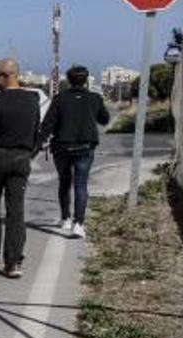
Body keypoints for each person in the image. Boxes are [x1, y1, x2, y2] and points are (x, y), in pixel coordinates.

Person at [0, 58, 41, 279]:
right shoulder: (32, 100)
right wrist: (28, 155)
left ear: (7, 75)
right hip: (21, 160)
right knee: (16, 213)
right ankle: (13, 263)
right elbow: (36, 133)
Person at [40, 65, 110, 240]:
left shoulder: (59, 99)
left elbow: (48, 124)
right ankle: (78, 224)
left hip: (62, 147)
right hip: (85, 147)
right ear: (86, 80)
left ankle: (65, 218)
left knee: (64, 182)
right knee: (81, 184)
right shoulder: (95, 98)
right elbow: (105, 119)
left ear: (69, 80)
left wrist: (39, 143)